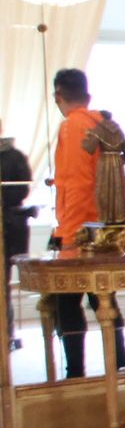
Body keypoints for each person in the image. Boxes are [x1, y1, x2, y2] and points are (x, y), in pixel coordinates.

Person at [47, 68, 125, 377]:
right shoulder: (102, 123)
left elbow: (74, 183)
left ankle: (75, 372)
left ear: (59, 96)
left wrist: (68, 234)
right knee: (103, 297)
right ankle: (119, 358)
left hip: (79, 229)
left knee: (67, 303)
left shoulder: (73, 126)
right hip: (105, 225)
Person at [1, 118, 34, 351]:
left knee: (3, 285)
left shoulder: (15, 156)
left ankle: (7, 334)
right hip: (9, 222)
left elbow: (21, 189)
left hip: (9, 225)